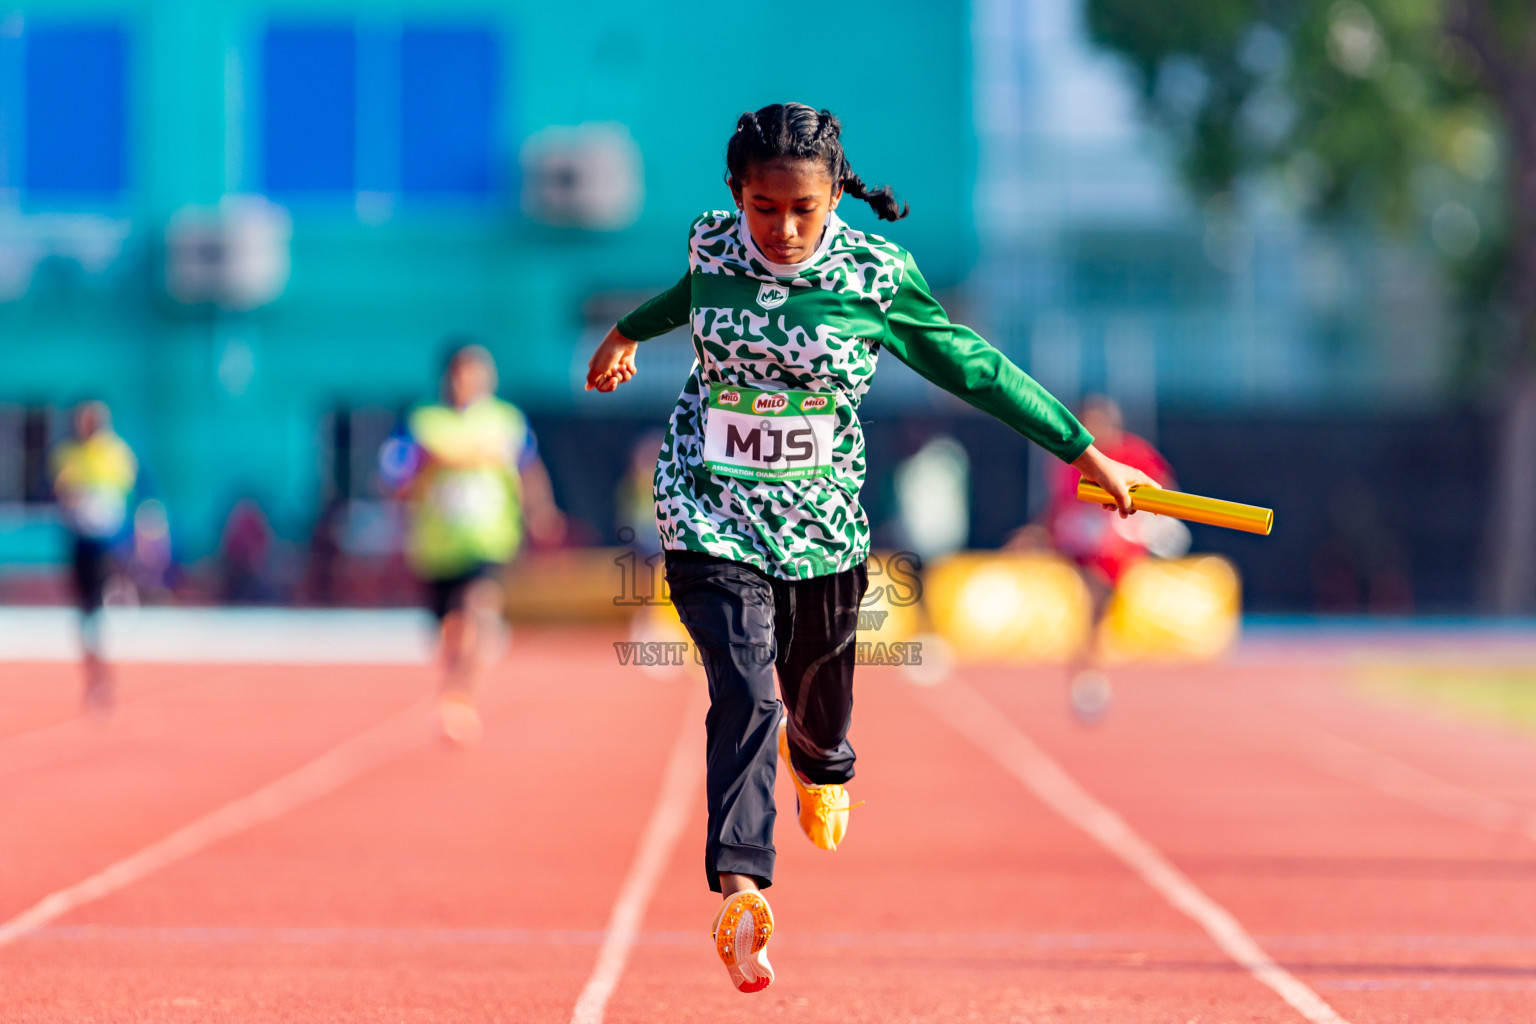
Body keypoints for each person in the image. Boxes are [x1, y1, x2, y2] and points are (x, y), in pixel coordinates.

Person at [585, 103, 1153, 993]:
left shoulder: (874, 276)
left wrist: (1086, 452)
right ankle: (743, 891)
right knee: (742, 684)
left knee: (819, 705)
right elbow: (692, 295)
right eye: (762, 208)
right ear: (735, 194)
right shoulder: (710, 243)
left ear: (833, 200)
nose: (780, 230)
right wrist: (628, 332)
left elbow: (975, 367)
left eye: (802, 211)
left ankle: (823, 764)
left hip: (819, 523)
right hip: (706, 507)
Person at [393, 343, 565, 746]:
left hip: (489, 540)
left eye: (478, 371)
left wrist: (540, 513)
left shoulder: (507, 422)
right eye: (461, 372)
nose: (469, 380)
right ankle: (455, 680)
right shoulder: (423, 423)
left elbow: (529, 470)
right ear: (447, 377)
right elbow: (393, 478)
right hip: (436, 545)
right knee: (451, 631)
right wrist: (424, 466)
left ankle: (457, 698)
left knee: (477, 613)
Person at [1010, 394, 1185, 720]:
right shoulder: (1071, 459)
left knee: (1099, 612)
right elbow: (1060, 506)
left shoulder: (1135, 454)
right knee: (1090, 604)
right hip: (1078, 548)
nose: (1095, 428)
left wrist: (1147, 523)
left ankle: (1089, 674)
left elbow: (1164, 490)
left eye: (1100, 421)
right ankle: (1087, 675)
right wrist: (1037, 533)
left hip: (1116, 550)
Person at [51, 401, 137, 716]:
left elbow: (128, 494)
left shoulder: (116, 453)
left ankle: (103, 679)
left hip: (108, 545)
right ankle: (94, 679)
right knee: (85, 616)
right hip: (79, 545)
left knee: (100, 614)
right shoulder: (67, 455)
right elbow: (57, 490)